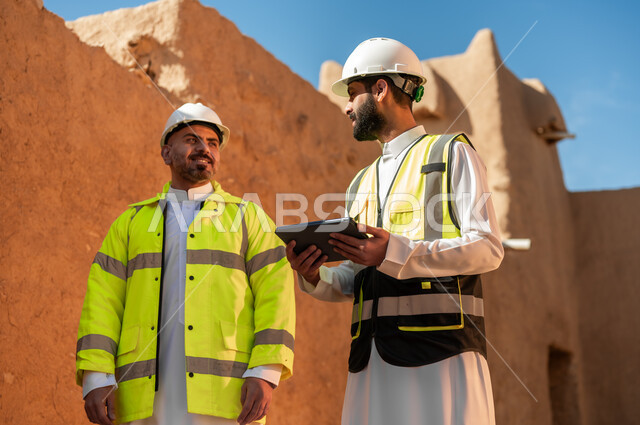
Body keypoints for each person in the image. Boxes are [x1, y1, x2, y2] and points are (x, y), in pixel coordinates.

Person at [286, 38, 504, 425]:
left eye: (353, 93)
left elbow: (487, 248)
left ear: (381, 89)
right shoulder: (361, 183)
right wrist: (314, 274)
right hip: (371, 363)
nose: (347, 107)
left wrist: (394, 253)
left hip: (441, 356)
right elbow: (358, 278)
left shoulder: (451, 153)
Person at [76, 103, 295, 425]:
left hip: (225, 393)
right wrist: (96, 376)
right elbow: (102, 302)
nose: (204, 149)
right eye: (192, 140)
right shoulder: (130, 222)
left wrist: (265, 371)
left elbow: (276, 297)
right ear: (166, 153)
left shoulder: (249, 218)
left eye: (213, 143)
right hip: (142, 396)